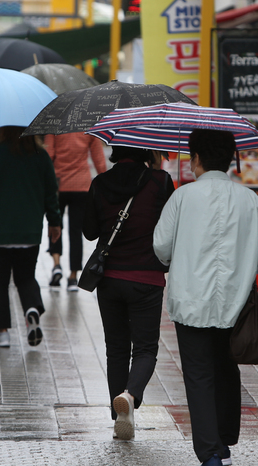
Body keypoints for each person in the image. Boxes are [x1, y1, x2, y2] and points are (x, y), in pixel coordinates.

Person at [153, 129, 258, 466]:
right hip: (237, 304)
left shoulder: (182, 197)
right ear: (229, 160)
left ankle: (209, 452)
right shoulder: (249, 198)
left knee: (199, 374)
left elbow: (161, 246)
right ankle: (223, 441)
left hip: (190, 301)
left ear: (197, 159)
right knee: (226, 366)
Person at [82, 146, 173, 441]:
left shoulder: (100, 183)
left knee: (117, 349)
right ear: (146, 148)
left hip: (109, 279)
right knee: (145, 349)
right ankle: (130, 397)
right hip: (147, 277)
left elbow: (89, 232)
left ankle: (119, 415)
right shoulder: (160, 181)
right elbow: (170, 228)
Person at [0, 126, 61, 348]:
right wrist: (55, 221)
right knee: (26, 277)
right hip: (28, 231)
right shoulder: (41, 156)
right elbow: (51, 191)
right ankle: (31, 310)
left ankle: (1, 333)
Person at [44, 133, 107, 291]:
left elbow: (48, 155)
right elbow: (98, 157)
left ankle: (57, 264)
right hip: (81, 185)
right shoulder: (88, 127)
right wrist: (105, 180)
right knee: (76, 231)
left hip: (58, 184)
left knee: (55, 224)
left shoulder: (56, 126)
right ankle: (73, 277)